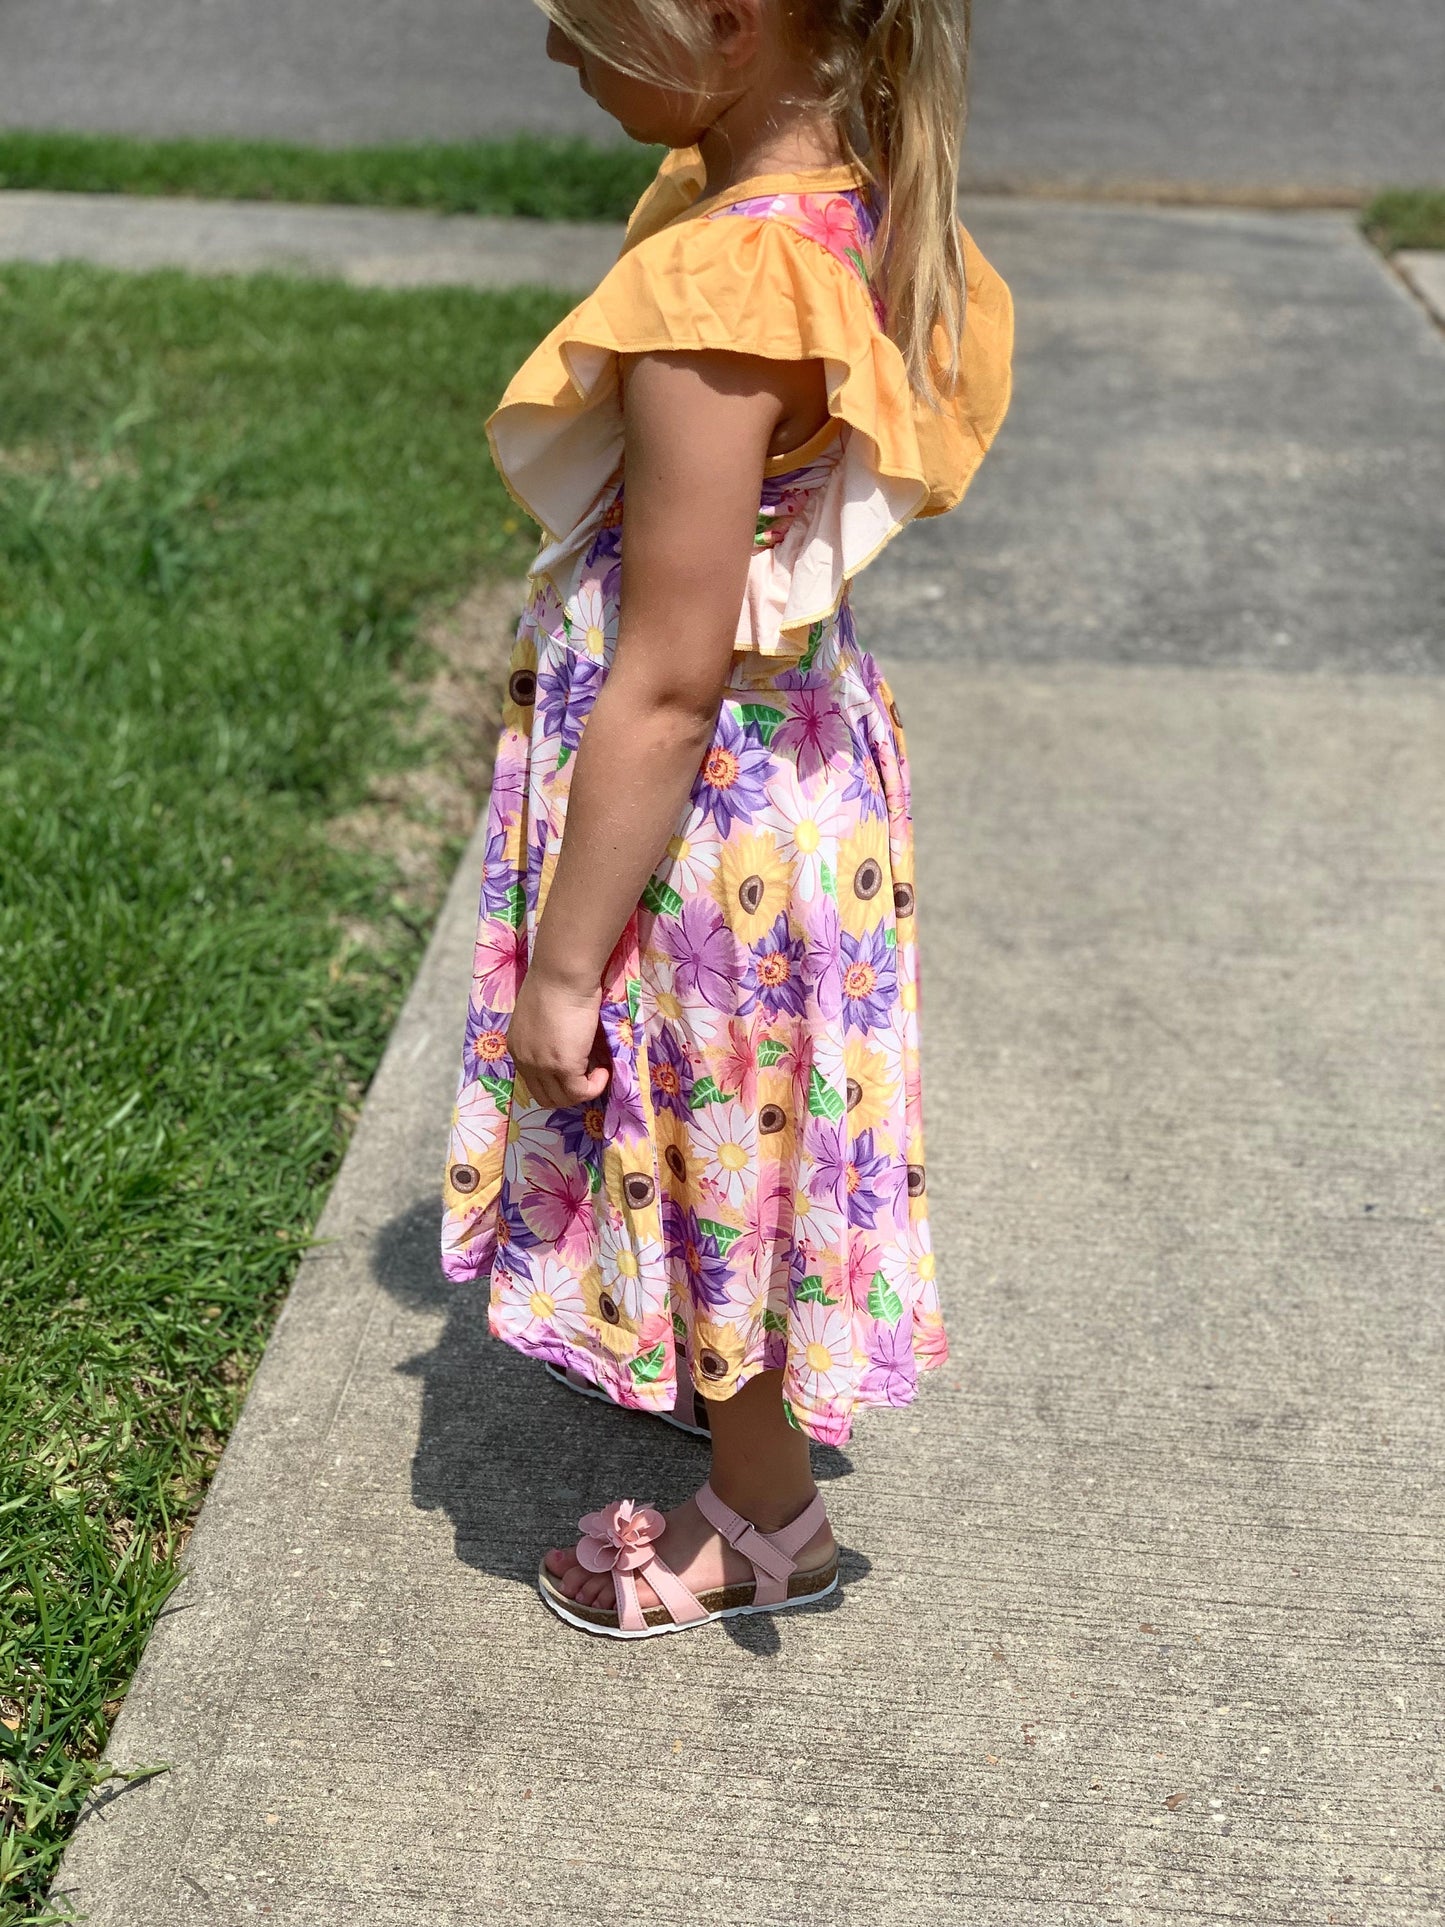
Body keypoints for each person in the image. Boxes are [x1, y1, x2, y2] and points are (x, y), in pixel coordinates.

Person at [440, 0, 1013, 1638]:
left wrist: (561, 967)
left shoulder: (725, 287)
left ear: (740, 24)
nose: (556, 52)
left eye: (585, 21)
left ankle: (765, 1519)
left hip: (697, 833)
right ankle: (735, 1401)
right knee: (754, 1131)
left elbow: (671, 678)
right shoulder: (863, 206)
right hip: (798, 780)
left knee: (702, 1138)